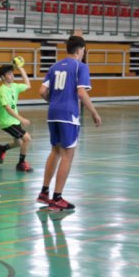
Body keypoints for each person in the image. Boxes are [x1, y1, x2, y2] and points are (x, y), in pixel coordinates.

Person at [37, 35, 101, 211]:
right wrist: (94, 112)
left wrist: (54, 102)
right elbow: (81, 93)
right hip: (68, 114)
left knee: (55, 151)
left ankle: (44, 192)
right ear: (80, 50)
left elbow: (42, 91)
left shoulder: (54, 66)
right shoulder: (81, 67)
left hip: (53, 113)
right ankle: (57, 198)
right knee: (67, 155)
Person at [0, 62, 34, 172]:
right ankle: (21, 164)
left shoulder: (14, 86)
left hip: (14, 120)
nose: (12, 75)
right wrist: (21, 119)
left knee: (18, 143)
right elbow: (7, 108)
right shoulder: (2, 91)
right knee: (27, 138)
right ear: (3, 77)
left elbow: (28, 84)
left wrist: (20, 68)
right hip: (7, 122)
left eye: (12, 73)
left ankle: (2, 148)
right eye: (9, 74)